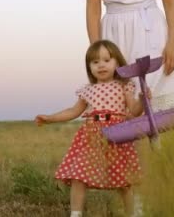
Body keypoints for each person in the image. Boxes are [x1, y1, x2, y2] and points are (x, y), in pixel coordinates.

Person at [35, 40, 144, 217]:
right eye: (95, 62)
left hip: (118, 137)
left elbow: (134, 111)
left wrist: (142, 100)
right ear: (89, 67)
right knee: (79, 176)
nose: (101, 65)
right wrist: (50, 118)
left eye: (107, 60)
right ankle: (75, 214)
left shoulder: (125, 86)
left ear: (117, 62)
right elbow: (73, 111)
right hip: (91, 138)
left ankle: (134, 214)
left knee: (125, 183)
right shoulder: (88, 90)